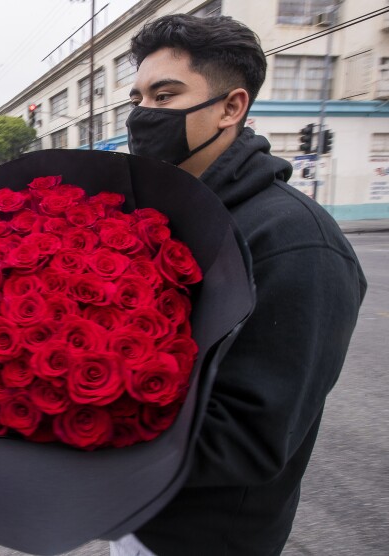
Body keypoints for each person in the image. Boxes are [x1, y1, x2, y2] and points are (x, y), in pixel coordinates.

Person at [118, 14, 367, 555]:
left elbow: (249, 437)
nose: (143, 115)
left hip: (206, 541)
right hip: (131, 517)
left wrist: (81, 422)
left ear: (232, 107)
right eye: (138, 99)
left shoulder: (297, 241)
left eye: (165, 96)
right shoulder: (167, 212)